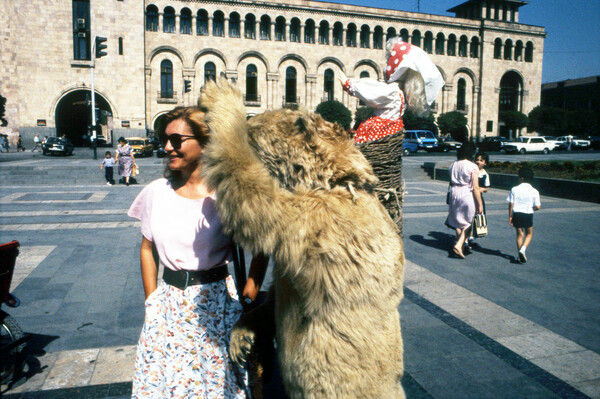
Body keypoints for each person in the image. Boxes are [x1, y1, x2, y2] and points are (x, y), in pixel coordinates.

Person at [128, 106, 266, 398]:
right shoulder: (156, 192)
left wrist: (249, 296)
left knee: (217, 387)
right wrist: (151, 300)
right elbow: (146, 249)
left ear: (204, 143)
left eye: (176, 140)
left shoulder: (227, 196)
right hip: (167, 310)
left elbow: (263, 247)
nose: (167, 147)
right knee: (170, 387)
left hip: (216, 306)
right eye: (165, 139)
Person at [338, 37, 444, 144]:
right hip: (389, 133)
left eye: (389, 59)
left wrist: (349, 84)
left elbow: (373, 93)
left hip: (378, 134)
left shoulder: (393, 91)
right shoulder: (402, 94)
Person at [446, 139, 483, 258]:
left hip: (454, 193)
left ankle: (462, 245)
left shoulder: (454, 164)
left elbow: (450, 181)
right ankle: (460, 244)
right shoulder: (473, 166)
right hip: (467, 193)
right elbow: (476, 187)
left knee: (458, 221)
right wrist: (480, 204)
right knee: (470, 221)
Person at [507, 166, 541, 263]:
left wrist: (510, 216)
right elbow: (538, 207)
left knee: (519, 234)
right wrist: (532, 208)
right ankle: (523, 249)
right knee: (529, 233)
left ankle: (519, 253)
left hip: (517, 214)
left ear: (521, 178)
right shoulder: (534, 191)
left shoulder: (514, 189)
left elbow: (510, 204)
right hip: (528, 214)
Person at [468, 152, 490, 247]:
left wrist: (482, 189)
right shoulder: (471, 170)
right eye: (477, 159)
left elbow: (486, 188)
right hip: (469, 196)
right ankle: (469, 236)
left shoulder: (485, 174)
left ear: (485, 163)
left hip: (478, 198)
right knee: (469, 217)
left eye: (481, 160)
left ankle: (473, 236)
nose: (478, 162)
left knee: (477, 217)